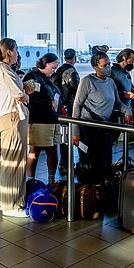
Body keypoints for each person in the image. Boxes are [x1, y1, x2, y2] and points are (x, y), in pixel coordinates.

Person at [72, 47, 132, 185]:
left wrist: (127, 110)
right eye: (104, 65)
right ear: (95, 67)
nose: (108, 68)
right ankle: (88, 192)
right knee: (89, 161)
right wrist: (75, 132)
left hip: (105, 127)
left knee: (105, 161)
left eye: (109, 64)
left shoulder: (110, 82)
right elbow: (77, 106)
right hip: (88, 128)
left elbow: (117, 102)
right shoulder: (87, 81)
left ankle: (102, 191)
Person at [0, 38, 31, 218]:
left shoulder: (1, 70)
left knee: (10, 161)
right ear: (9, 51)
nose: (18, 54)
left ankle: (11, 201)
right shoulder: (4, 71)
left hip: (8, 118)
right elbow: (19, 96)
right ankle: (11, 205)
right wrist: (27, 95)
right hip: (12, 119)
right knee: (13, 162)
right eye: (17, 50)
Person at [23, 53, 61, 185]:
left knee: (53, 149)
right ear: (45, 64)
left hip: (52, 119)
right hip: (39, 119)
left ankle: (51, 179)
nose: (54, 70)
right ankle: (31, 181)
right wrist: (48, 103)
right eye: (53, 67)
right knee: (35, 150)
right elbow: (30, 98)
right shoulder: (32, 77)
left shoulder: (47, 78)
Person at [53, 48, 80, 177]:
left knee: (64, 137)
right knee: (68, 136)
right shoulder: (71, 72)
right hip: (69, 108)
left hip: (60, 107)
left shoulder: (58, 70)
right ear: (74, 58)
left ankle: (64, 164)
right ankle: (66, 164)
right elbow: (77, 90)